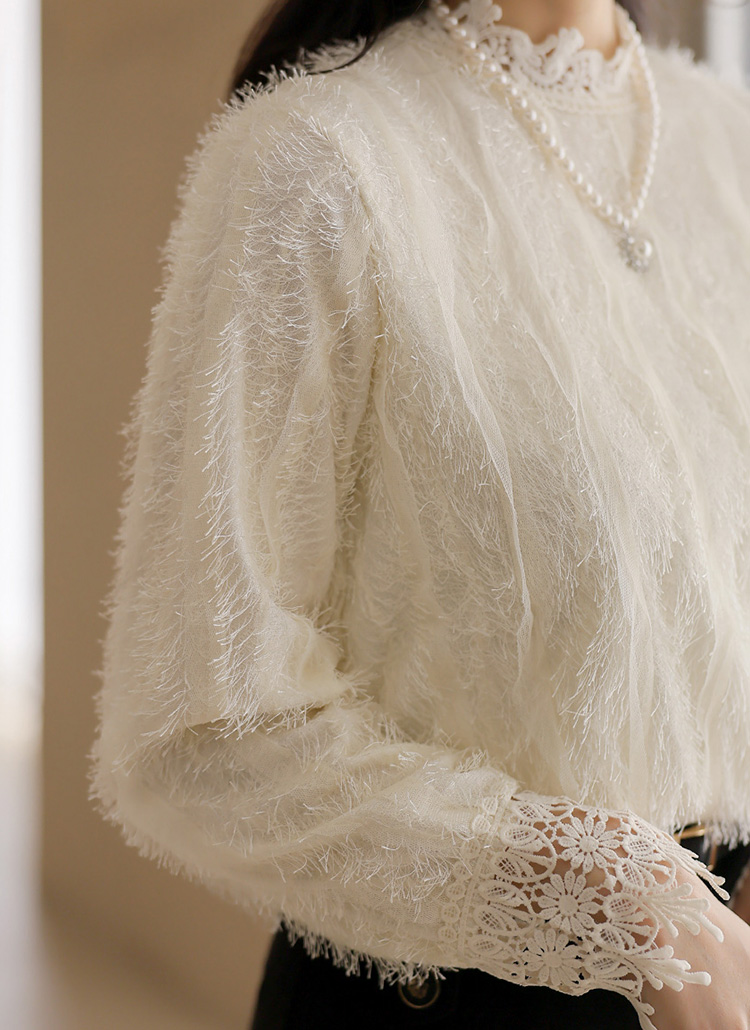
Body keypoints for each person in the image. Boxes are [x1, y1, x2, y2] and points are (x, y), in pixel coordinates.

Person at [87, 0, 750, 1027]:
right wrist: (626, 897)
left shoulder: (729, 136)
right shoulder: (313, 160)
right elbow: (201, 731)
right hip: (443, 999)